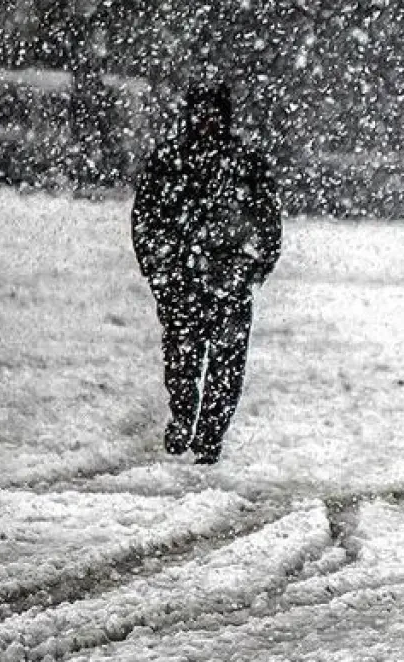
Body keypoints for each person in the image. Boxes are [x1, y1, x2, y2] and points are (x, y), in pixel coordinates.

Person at [131, 84, 281, 464]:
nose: (206, 122)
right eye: (201, 113)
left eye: (213, 113)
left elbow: (267, 223)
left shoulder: (243, 163)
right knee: (184, 359)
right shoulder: (171, 161)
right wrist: (158, 268)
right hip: (185, 279)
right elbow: (145, 218)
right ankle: (185, 418)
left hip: (225, 280)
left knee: (223, 366)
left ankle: (209, 435)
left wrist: (252, 268)